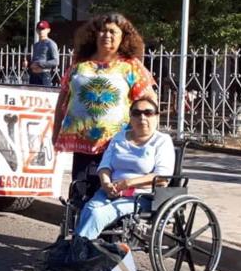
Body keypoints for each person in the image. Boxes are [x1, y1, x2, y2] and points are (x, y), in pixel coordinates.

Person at [53, 12, 156, 183]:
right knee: (80, 190)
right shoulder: (79, 66)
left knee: (106, 191)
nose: (106, 35)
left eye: (112, 32)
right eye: (102, 31)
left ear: (123, 37)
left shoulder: (131, 67)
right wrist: (55, 132)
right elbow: (62, 100)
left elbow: (149, 102)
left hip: (115, 145)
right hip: (81, 144)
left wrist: (145, 137)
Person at [74, 97, 174, 239]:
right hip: (110, 191)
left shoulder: (162, 141)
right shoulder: (119, 137)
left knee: (98, 214)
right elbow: (105, 166)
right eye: (137, 113)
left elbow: (162, 178)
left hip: (140, 196)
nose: (142, 117)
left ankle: (76, 252)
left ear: (157, 117)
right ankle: (80, 250)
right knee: (89, 209)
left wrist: (126, 184)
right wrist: (106, 183)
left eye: (148, 113)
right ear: (130, 117)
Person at [27, 20, 59, 86]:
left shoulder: (51, 44)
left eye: (43, 29)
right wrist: (29, 64)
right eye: (39, 29)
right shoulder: (35, 45)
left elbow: (56, 61)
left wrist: (39, 64)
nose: (41, 31)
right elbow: (35, 61)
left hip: (44, 76)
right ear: (36, 30)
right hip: (33, 76)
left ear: (48, 30)